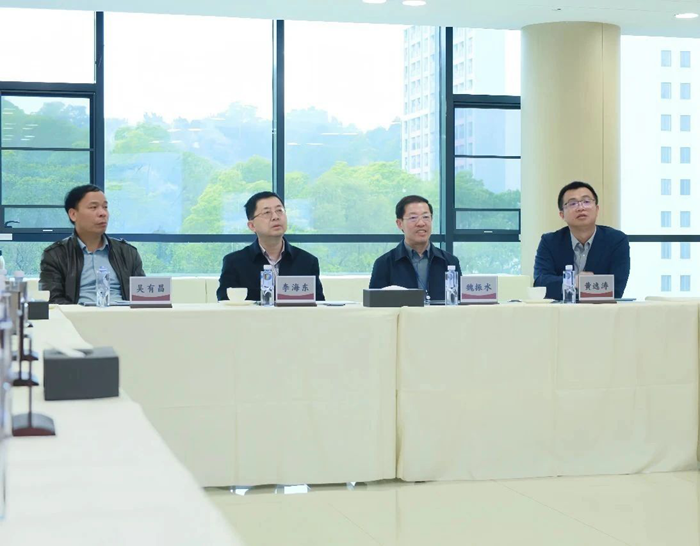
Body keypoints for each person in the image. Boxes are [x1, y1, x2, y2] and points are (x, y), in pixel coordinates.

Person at [39, 184, 145, 304]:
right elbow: (53, 300)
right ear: (73, 214)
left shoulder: (127, 253)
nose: (103, 213)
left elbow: (143, 296)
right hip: (77, 315)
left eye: (105, 207)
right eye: (93, 207)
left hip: (123, 314)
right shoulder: (55, 255)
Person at [217, 191, 325, 301]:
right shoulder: (235, 263)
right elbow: (225, 303)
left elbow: (319, 306)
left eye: (279, 211)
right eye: (267, 213)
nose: (275, 217)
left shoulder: (307, 262)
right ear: (252, 225)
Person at [534, 181, 630, 300]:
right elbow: (540, 283)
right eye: (573, 203)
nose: (581, 208)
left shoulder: (616, 240)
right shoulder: (549, 242)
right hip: (561, 310)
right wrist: (574, 281)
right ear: (562, 214)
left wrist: (577, 286)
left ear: (597, 209)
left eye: (586, 201)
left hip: (602, 310)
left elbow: (616, 288)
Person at [369, 195, 461, 301]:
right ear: (399, 223)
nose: (421, 223)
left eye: (426, 217)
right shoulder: (384, 264)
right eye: (413, 218)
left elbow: (460, 303)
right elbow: (374, 305)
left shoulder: (450, 261)